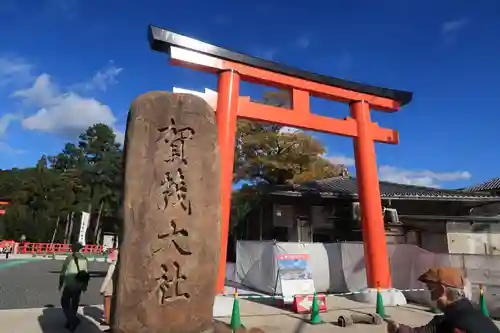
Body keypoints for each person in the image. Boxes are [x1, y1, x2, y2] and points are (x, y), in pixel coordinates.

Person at [386, 266, 500, 333]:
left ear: (441, 290)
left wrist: (397, 329)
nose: (431, 297)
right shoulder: (483, 319)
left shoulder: (448, 322)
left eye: (431, 290)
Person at [59, 242, 90, 331]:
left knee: (64, 302)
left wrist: (60, 284)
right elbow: (86, 273)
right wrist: (85, 286)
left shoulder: (69, 258)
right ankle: (70, 321)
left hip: (70, 283)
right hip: (80, 284)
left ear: (72, 249)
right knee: (75, 303)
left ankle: (72, 320)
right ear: (80, 249)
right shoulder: (85, 259)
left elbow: (63, 272)